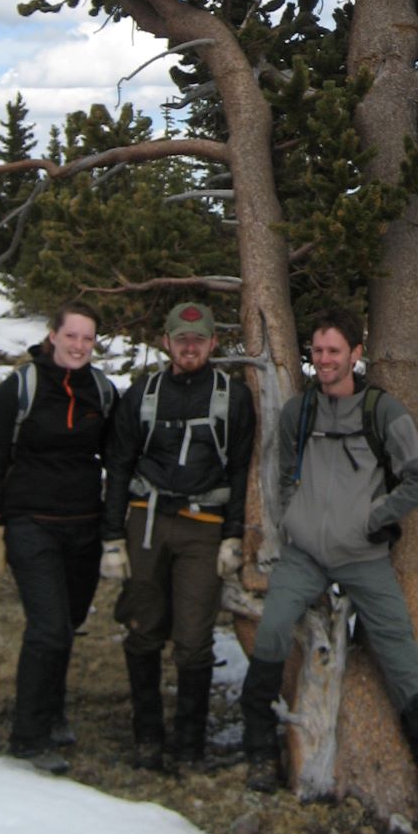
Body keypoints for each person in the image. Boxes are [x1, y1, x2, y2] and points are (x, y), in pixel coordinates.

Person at [238, 306, 418, 831]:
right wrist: (298, 513)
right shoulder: (300, 411)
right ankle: (257, 751)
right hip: (306, 554)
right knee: (272, 630)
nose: (323, 361)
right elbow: (287, 471)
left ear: (356, 354)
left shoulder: (383, 412)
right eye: (316, 352)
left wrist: (373, 517)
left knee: (401, 658)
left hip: (364, 556)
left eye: (334, 351)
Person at [100, 301, 255, 770]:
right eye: (181, 339)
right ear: (166, 342)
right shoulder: (142, 392)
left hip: (204, 528)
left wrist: (234, 536)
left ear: (213, 343)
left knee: (193, 638)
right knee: (143, 627)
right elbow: (119, 463)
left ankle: (189, 744)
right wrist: (111, 538)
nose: (190, 347)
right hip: (145, 520)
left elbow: (243, 468)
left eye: (200, 339)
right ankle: (147, 735)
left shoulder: (233, 396)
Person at [0, 299, 117, 775]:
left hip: (83, 525)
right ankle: (28, 737)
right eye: (71, 335)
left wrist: (113, 528)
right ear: (52, 335)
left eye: (88, 338)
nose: (79, 345)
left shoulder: (101, 390)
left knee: (68, 624)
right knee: (49, 627)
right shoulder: (19, 389)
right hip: (29, 523)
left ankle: (53, 712)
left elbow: (116, 457)